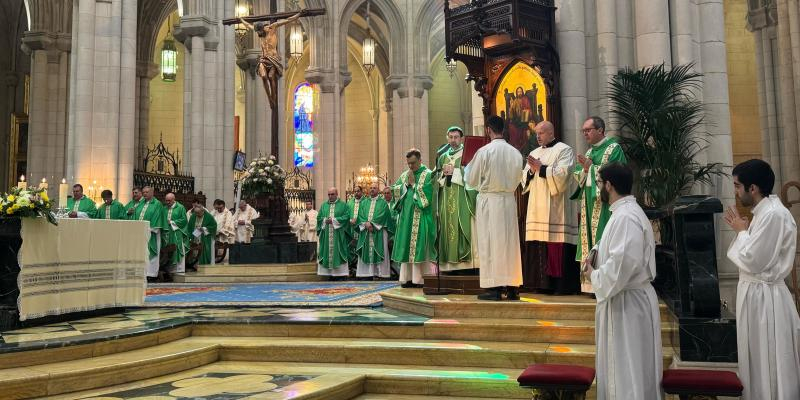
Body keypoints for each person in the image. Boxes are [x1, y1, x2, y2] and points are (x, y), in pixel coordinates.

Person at [581, 163, 662, 400]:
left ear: (609, 185)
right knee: (624, 366)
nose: (599, 190)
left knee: (630, 369)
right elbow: (616, 251)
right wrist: (595, 254)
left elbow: (622, 264)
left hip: (628, 304)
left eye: (600, 184)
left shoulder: (626, 217)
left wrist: (593, 275)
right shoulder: (622, 214)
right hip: (623, 300)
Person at [724, 159, 800, 400]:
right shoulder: (763, 213)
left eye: (738, 186)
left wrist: (741, 232)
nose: (736, 192)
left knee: (769, 361)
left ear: (753, 188)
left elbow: (755, 260)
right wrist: (745, 231)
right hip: (758, 298)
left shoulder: (774, 215)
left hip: (767, 301)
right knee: (756, 360)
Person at [465, 116, 524, 300]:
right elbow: (518, 179)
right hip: (508, 200)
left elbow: (472, 180)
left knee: (490, 243)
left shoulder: (484, 151)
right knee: (510, 244)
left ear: (488, 129)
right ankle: (513, 287)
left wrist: (467, 169)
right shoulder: (515, 152)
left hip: (490, 201)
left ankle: (495, 288)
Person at [522, 121, 580, 294]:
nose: (537, 136)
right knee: (538, 244)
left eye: (541, 133)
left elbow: (564, 175)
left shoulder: (564, 150)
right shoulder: (534, 152)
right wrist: (531, 171)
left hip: (557, 207)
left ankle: (560, 286)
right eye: (536, 133)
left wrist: (542, 168)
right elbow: (524, 177)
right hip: (537, 206)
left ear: (550, 132)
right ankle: (540, 284)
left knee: (556, 243)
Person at [571, 116, 626, 293]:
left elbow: (616, 175)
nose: (584, 133)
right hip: (588, 205)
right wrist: (584, 170)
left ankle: (604, 283)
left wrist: (591, 168)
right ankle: (590, 285)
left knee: (603, 240)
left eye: (588, 130)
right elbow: (580, 174)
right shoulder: (589, 152)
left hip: (605, 205)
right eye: (583, 131)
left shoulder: (613, 148)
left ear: (600, 130)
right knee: (589, 241)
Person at [391, 149, 436, 288]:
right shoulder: (405, 175)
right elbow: (395, 190)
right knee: (406, 247)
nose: (411, 166)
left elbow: (428, 196)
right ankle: (407, 278)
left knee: (419, 248)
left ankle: (420, 279)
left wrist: (414, 185)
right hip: (406, 218)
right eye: (409, 163)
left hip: (421, 217)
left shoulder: (428, 175)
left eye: (413, 163)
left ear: (420, 160)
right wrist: (405, 185)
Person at [436, 126, 479, 273]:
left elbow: (472, 176)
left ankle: (464, 265)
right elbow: (437, 178)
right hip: (447, 196)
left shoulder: (467, 154)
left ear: (461, 139)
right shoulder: (442, 156)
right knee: (447, 228)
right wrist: (443, 175)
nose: (453, 140)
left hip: (462, 196)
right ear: (447, 138)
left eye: (456, 137)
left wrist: (454, 173)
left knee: (461, 227)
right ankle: (448, 266)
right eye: (451, 137)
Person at [355, 184, 393, 280]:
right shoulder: (364, 203)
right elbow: (361, 214)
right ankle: (366, 274)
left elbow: (384, 215)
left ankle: (381, 274)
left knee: (381, 250)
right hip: (366, 231)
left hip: (379, 231)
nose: (372, 190)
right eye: (371, 188)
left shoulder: (383, 203)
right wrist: (366, 224)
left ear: (378, 190)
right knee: (366, 251)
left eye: (374, 188)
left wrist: (372, 224)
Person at [316, 187, 351, 280]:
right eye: (329, 194)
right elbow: (319, 218)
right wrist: (324, 220)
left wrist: (334, 220)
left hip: (338, 235)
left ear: (337, 194)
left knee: (339, 252)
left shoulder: (343, 205)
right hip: (326, 234)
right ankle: (329, 274)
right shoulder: (324, 205)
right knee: (326, 252)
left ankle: (340, 274)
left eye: (332, 194)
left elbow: (347, 217)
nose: (330, 196)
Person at [138, 186, 168, 281]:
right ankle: (142, 272)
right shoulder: (140, 203)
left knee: (152, 253)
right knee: (142, 253)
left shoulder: (157, 204)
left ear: (152, 193)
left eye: (147, 192)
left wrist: (148, 228)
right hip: (140, 233)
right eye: (143, 192)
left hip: (152, 233)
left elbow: (158, 218)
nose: (144, 194)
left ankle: (151, 274)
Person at [163, 193, 190, 275]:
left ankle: (178, 269)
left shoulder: (180, 207)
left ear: (174, 199)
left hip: (176, 232)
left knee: (177, 248)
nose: (167, 202)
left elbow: (184, 220)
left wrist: (171, 222)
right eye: (166, 200)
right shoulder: (164, 208)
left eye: (169, 201)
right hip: (167, 232)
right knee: (167, 249)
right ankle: (168, 268)